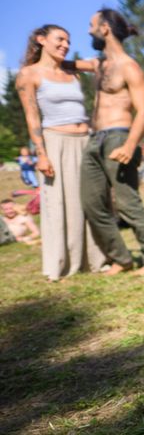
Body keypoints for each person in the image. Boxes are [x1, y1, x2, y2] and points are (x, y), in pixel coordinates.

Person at [15, 24, 106, 281]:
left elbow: (102, 63)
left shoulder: (70, 69)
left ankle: (95, 258)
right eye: (60, 39)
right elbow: (32, 117)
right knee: (57, 202)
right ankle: (60, 264)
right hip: (55, 141)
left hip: (84, 140)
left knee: (89, 199)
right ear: (41, 40)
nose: (65, 44)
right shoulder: (29, 74)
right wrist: (41, 154)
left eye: (68, 40)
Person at [78, 8, 144, 275]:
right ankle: (121, 258)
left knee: (128, 203)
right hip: (94, 140)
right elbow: (63, 64)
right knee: (92, 203)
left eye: (91, 25)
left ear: (105, 28)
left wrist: (130, 145)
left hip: (119, 136)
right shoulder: (98, 65)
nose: (88, 30)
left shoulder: (129, 66)